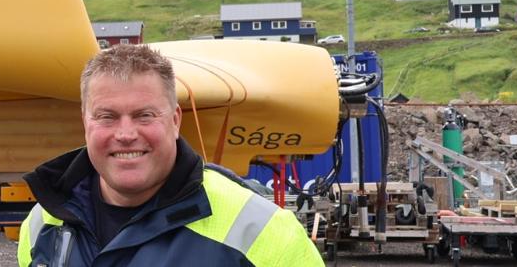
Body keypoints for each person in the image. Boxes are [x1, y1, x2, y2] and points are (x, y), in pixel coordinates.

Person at [18, 44, 323, 266]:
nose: (125, 134)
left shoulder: (262, 231)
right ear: (86, 123)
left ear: (176, 120)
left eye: (144, 115)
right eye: (107, 117)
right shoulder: (42, 224)